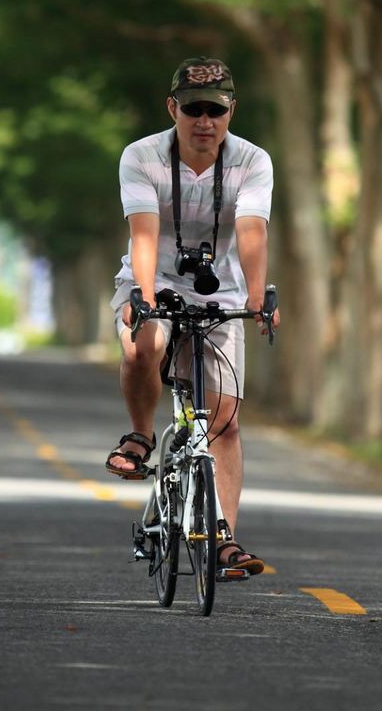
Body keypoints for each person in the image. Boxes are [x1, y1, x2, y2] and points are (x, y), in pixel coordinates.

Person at [106, 56, 279, 578]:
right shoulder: (142, 157)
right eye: (193, 110)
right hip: (150, 281)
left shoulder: (252, 161)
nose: (205, 122)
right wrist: (142, 293)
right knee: (143, 346)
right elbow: (142, 231)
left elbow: (251, 231)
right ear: (172, 108)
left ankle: (223, 536)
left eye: (216, 111)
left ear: (231, 111)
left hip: (219, 291)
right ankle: (139, 436)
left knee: (223, 421)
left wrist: (256, 296)